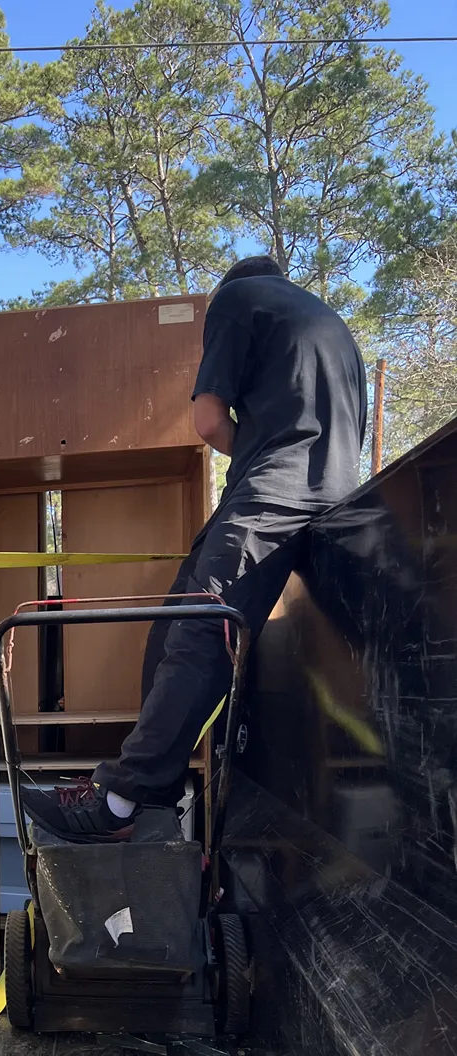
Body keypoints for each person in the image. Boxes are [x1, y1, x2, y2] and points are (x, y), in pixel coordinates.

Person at [21, 255, 368, 842]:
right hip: (336, 500)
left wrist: (252, 445)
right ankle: (150, 791)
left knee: (199, 633)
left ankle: (120, 801)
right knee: (177, 623)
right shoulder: (332, 326)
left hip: (272, 490)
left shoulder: (238, 300)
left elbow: (208, 422)